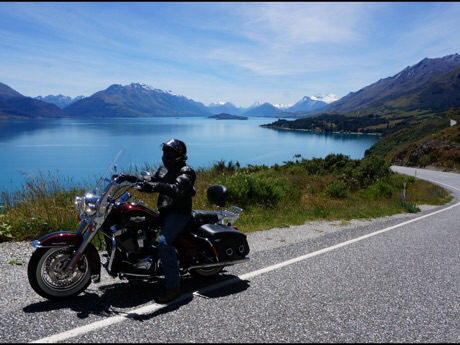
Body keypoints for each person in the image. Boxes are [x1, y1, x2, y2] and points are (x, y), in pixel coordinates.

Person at [136, 138, 196, 303]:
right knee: (139, 226)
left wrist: (155, 186)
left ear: (179, 155)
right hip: (165, 211)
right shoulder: (164, 169)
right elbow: (153, 181)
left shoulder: (186, 172)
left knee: (164, 243)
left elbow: (176, 189)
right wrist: (130, 179)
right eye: (164, 152)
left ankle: (173, 287)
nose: (165, 155)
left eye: (169, 153)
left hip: (179, 213)